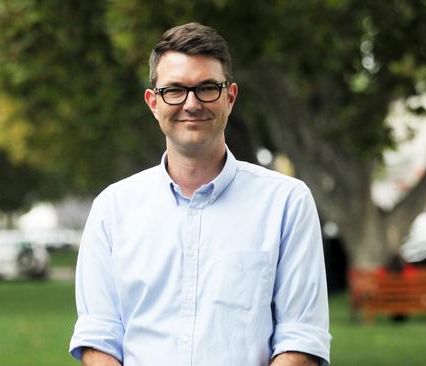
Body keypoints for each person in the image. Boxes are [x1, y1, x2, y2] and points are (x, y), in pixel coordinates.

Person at [69, 22, 331, 366]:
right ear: (153, 102)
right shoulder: (112, 209)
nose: (191, 104)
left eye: (207, 88)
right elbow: (99, 335)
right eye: (175, 90)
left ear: (230, 97)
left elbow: (300, 336)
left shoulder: (286, 202)